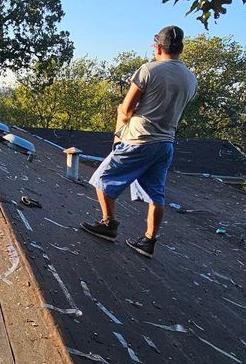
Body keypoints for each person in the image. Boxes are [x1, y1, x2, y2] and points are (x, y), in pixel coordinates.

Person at [81, 25, 198, 258]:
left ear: (158, 47)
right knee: (156, 195)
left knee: (103, 178)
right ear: (180, 49)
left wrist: (122, 120)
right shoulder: (190, 79)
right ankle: (148, 241)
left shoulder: (148, 70)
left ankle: (108, 224)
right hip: (165, 144)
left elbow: (127, 108)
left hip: (139, 139)